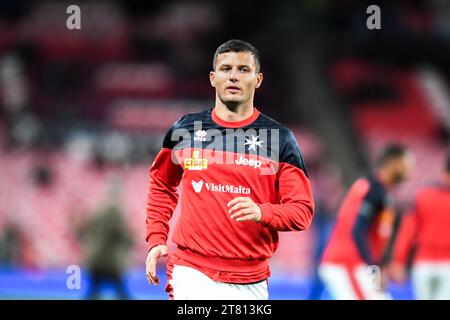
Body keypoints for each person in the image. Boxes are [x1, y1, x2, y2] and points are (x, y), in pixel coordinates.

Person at [145, 39, 315, 300]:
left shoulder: (280, 139)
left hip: (252, 279)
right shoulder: (185, 129)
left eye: (243, 70)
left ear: (258, 80)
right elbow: (162, 183)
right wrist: (157, 238)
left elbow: (302, 211)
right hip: (192, 271)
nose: (233, 76)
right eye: (225, 69)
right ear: (213, 78)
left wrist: (262, 211)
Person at [319, 144, 413, 300]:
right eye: (406, 164)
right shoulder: (373, 190)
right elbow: (357, 231)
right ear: (392, 163)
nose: (409, 171)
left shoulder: (378, 191)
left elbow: (375, 236)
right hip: (347, 263)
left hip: (357, 264)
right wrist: (374, 269)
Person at [392, 152, 450, 300]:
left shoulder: (422, 196)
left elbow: (407, 231)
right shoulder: (422, 196)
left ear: (444, 172)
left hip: (423, 263)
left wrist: (399, 261)